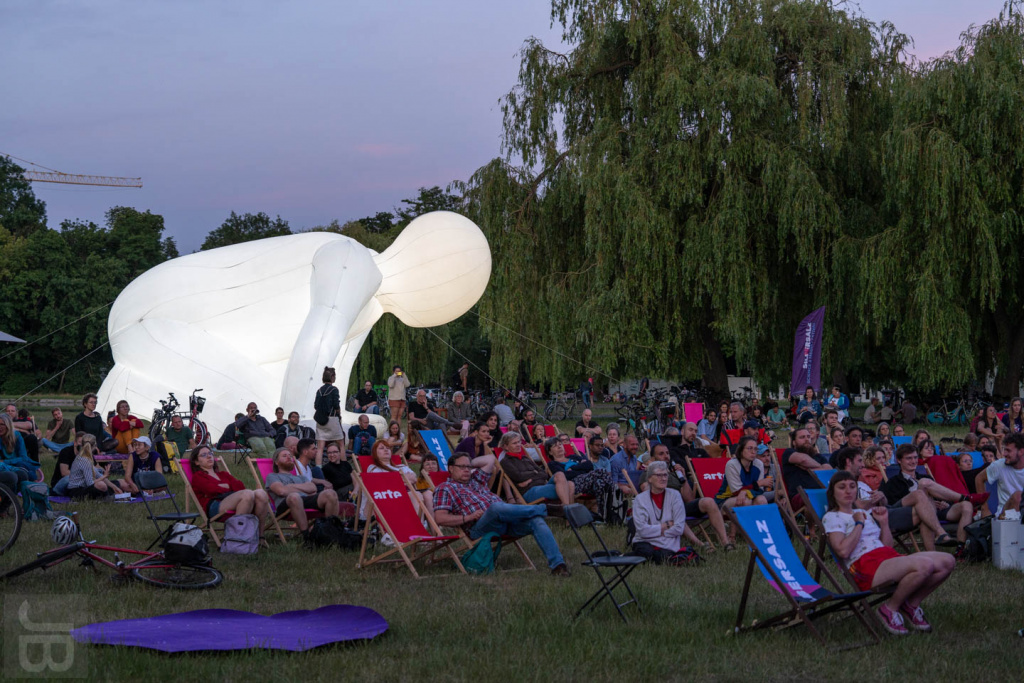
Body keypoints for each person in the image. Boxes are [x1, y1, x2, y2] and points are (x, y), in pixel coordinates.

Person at [823, 471, 954, 635]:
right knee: (924, 565)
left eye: (852, 486)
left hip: (885, 558)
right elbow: (842, 551)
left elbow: (887, 546)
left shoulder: (864, 513)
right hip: (864, 566)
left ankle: (911, 605)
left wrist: (884, 524)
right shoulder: (832, 517)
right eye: (842, 487)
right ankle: (889, 608)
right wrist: (858, 524)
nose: (848, 491)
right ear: (833, 492)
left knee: (947, 561)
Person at [432, 451, 569, 575]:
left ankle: (558, 565)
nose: (467, 470)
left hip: (506, 520)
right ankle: (547, 509)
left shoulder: (476, 479)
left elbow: (491, 459)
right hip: (480, 527)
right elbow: (440, 518)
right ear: (450, 468)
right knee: (496, 507)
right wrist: (468, 517)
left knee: (536, 520)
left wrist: (467, 461)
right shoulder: (445, 488)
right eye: (462, 467)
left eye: (468, 467)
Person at [835, 447, 957, 551]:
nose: (863, 464)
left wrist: (881, 497)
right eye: (860, 460)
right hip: (875, 518)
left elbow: (884, 503)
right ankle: (939, 537)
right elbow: (856, 507)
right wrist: (872, 501)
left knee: (919, 496)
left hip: (883, 509)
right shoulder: (843, 481)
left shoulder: (856, 481)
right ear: (848, 462)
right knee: (922, 508)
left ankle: (937, 543)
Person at [639, 442, 731, 549]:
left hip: (682, 506)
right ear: (653, 459)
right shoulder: (648, 474)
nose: (666, 456)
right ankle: (700, 544)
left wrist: (684, 479)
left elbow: (689, 499)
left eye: (667, 453)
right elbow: (646, 492)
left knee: (709, 501)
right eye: (661, 454)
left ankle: (726, 542)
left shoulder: (675, 473)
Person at [880, 444, 974, 545]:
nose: (913, 461)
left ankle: (961, 548)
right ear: (899, 460)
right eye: (908, 458)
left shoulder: (926, 477)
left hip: (937, 511)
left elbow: (941, 495)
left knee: (966, 506)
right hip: (914, 514)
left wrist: (945, 504)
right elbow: (894, 505)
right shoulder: (892, 482)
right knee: (924, 489)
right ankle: (965, 498)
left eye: (915, 457)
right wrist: (927, 503)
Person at [265, 447, 340, 532]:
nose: (289, 457)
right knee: (294, 496)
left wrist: (290, 486)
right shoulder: (272, 476)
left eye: (290, 455)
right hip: (285, 504)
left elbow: (313, 488)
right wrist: (302, 489)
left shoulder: (300, 477)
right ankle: (306, 535)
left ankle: (330, 531)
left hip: (304, 501)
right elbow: (281, 491)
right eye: (284, 456)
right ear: (276, 462)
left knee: (330, 493)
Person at [189, 445, 271, 522]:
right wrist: (229, 487)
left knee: (261, 493)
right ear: (196, 462)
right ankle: (237, 533)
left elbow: (240, 486)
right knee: (247, 494)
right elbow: (211, 490)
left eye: (210, 453)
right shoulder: (198, 476)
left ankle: (260, 535)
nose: (209, 456)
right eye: (203, 455)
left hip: (231, 500)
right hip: (214, 505)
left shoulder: (223, 474)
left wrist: (224, 486)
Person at [630, 461, 690, 563]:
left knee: (662, 556)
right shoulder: (640, 499)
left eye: (665, 475)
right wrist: (665, 525)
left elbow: (679, 528)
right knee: (646, 551)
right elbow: (642, 530)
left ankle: (626, 557)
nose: (663, 478)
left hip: (668, 545)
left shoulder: (675, 495)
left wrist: (652, 532)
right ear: (649, 478)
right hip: (645, 542)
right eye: (658, 475)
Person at [498, 432, 575, 506]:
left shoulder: (525, 458)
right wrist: (534, 472)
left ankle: (567, 508)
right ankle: (567, 509)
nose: (518, 445)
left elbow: (544, 474)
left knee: (561, 476)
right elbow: (519, 476)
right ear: (505, 446)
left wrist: (529, 478)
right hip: (529, 491)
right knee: (567, 486)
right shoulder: (506, 462)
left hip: (542, 486)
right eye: (514, 443)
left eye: (519, 442)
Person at [715, 436, 770, 516]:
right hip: (725, 500)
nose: (753, 452)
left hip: (748, 497)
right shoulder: (732, 465)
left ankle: (758, 527)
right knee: (745, 501)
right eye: (749, 448)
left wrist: (745, 492)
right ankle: (739, 528)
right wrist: (757, 484)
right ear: (741, 450)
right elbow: (736, 492)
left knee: (761, 500)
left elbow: (760, 491)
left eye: (755, 449)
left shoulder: (758, 464)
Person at [65, 434, 121, 499]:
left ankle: (111, 494)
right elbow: (90, 483)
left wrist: (115, 487)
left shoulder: (85, 457)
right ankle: (107, 497)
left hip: (81, 488)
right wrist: (104, 476)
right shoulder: (85, 460)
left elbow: (98, 475)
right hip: (76, 491)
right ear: (95, 446)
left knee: (104, 483)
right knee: (101, 485)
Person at [781, 426, 832, 497]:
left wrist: (809, 467)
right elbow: (803, 459)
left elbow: (829, 471)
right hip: (801, 495)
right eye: (802, 437)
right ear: (794, 442)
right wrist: (820, 467)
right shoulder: (789, 452)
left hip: (822, 492)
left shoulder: (818, 456)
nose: (807, 439)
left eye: (808, 436)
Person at [985, 432, 1024, 515]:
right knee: (1018, 496)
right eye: (1004, 449)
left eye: (1008, 450)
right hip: (1005, 515)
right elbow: (979, 479)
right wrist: (984, 508)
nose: (1004, 454)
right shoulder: (999, 465)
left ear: (1021, 452)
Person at [314, 367, 344, 462]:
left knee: (320, 447)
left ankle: (318, 467)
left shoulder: (319, 390)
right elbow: (336, 405)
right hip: (332, 419)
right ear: (332, 377)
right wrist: (339, 412)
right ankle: (343, 466)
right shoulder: (334, 389)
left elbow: (315, 406)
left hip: (321, 420)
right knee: (341, 444)